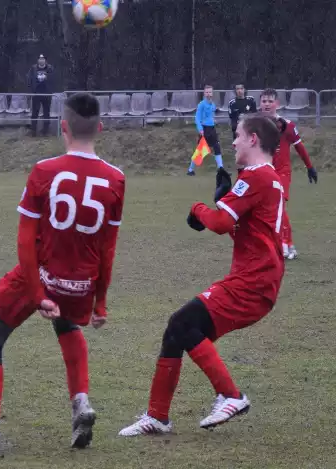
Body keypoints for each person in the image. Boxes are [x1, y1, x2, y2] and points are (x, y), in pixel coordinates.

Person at [0, 93, 125, 453]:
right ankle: (81, 401)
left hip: (42, 276)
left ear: (63, 127)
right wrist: (101, 302)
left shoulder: (45, 171)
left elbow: (25, 242)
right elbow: (108, 249)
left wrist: (38, 295)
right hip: (81, 284)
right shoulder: (116, 178)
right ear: (101, 127)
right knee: (68, 325)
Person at [118, 113, 285, 437]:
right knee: (177, 329)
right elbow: (238, 229)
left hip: (254, 280)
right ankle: (157, 417)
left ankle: (231, 396)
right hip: (259, 279)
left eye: (237, 134)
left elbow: (221, 223)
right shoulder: (267, 177)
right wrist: (222, 203)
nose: (233, 140)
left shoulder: (256, 177)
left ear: (253, 139)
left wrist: (198, 209)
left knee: (184, 323)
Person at [259, 88, 317, 260]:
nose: (267, 104)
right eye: (264, 101)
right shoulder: (256, 124)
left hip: (281, 173)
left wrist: (310, 167)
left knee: (279, 207)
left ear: (277, 104)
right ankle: (282, 245)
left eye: (270, 101)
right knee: (265, 210)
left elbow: (299, 146)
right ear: (260, 103)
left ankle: (285, 244)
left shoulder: (287, 125)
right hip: (263, 173)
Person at [187, 85, 223, 176]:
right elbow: (197, 118)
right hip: (204, 129)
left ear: (212, 93)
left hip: (212, 129)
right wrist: (200, 129)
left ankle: (221, 169)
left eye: (210, 92)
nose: (208, 94)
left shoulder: (213, 104)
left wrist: (214, 122)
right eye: (206, 92)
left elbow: (211, 116)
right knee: (200, 150)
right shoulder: (201, 104)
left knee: (217, 147)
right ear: (204, 93)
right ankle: (190, 169)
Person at [27, 54, 54, 137]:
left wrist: (50, 90)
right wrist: (31, 90)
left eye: (43, 59)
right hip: (36, 93)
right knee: (35, 112)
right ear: (38, 60)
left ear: (45, 60)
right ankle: (33, 131)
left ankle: (45, 132)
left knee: (46, 112)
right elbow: (29, 79)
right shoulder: (33, 68)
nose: (41, 60)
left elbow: (53, 79)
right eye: (40, 59)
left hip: (47, 94)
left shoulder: (50, 68)